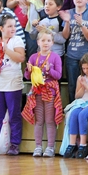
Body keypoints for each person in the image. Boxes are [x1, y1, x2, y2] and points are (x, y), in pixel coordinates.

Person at [0, 14, 25, 155]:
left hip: (13, 82)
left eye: (14, 25)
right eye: (9, 26)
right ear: (1, 28)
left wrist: (6, 49)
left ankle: (14, 144)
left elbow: (20, 58)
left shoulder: (17, 40)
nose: (13, 28)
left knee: (14, 115)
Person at [22, 30, 63, 158]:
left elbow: (58, 75)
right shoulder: (33, 57)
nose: (46, 43)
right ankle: (38, 146)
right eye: (43, 40)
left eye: (48, 40)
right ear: (38, 42)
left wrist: (49, 70)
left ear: (53, 42)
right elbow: (27, 76)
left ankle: (50, 147)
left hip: (50, 93)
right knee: (38, 121)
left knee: (50, 121)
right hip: (37, 92)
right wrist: (28, 71)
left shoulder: (55, 57)